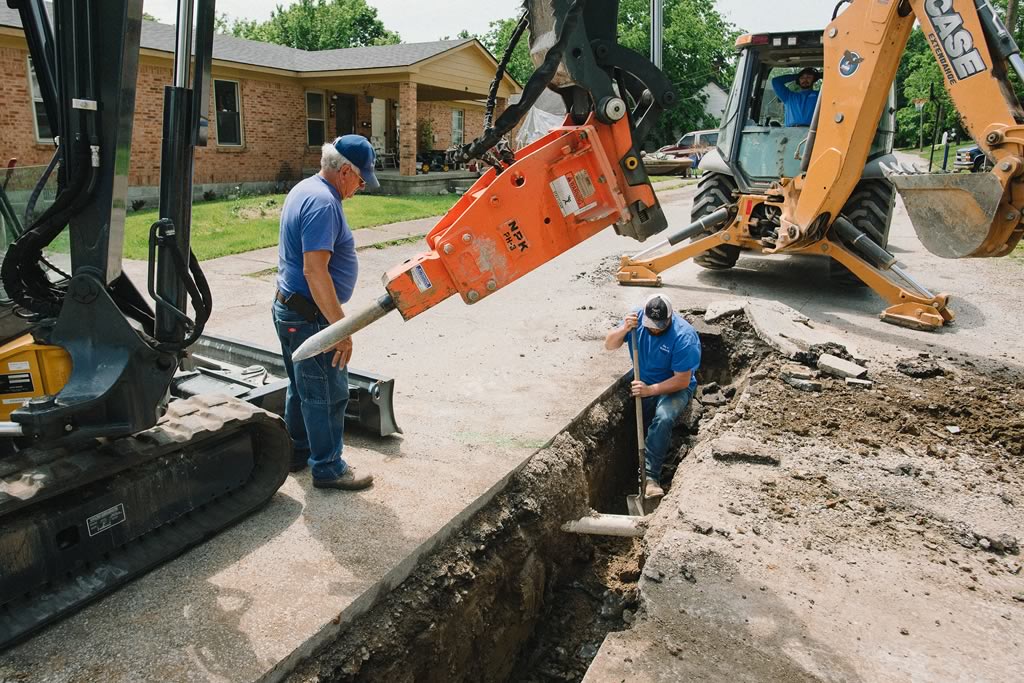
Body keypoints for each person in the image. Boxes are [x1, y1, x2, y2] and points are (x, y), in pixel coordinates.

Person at [272, 135, 380, 490]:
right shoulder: (322, 204)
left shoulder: (306, 189)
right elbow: (314, 271)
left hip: (292, 310)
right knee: (328, 394)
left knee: (303, 386)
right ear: (345, 170)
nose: (361, 188)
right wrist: (340, 329)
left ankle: (297, 453)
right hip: (309, 317)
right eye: (361, 180)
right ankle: (328, 468)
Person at [604, 294, 701, 499]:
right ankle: (638, 465)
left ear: (670, 318)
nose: (655, 328)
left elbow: (682, 380)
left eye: (660, 325)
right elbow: (609, 345)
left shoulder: (684, 337)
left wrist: (650, 390)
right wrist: (623, 330)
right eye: (651, 324)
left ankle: (651, 477)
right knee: (647, 426)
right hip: (644, 380)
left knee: (663, 418)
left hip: (673, 386)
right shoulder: (636, 319)